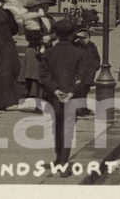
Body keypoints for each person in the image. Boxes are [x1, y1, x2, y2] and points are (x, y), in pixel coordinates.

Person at [39, 19, 87, 175]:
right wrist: (71, 91)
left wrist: (55, 90)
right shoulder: (79, 53)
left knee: (57, 126)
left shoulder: (49, 53)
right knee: (68, 128)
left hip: (54, 97)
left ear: (56, 34)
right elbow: (81, 76)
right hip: (72, 97)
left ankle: (59, 157)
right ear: (73, 34)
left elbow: (44, 76)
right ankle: (63, 161)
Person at [21, 0, 57, 111]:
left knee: (47, 76)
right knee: (36, 77)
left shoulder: (51, 19)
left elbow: (57, 32)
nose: (45, 8)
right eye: (43, 6)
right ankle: (37, 104)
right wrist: (41, 40)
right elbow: (29, 35)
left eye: (47, 6)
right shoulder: (32, 19)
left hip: (49, 50)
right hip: (35, 50)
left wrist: (51, 37)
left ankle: (46, 102)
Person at [72, 28, 101, 117]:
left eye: (86, 37)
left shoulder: (91, 46)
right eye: (82, 37)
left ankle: (83, 108)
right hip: (79, 73)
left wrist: (95, 66)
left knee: (85, 91)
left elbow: (97, 57)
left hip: (89, 73)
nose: (84, 39)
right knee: (78, 91)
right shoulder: (75, 46)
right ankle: (78, 109)